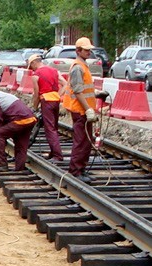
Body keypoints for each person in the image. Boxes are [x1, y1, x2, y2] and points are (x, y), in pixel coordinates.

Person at [0, 80, 37, 172]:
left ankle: (1, 165)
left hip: (19, 120)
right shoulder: (2, 95)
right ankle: (19, 169)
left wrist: (1, 135)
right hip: (30, 119)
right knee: (20, 145)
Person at [62, 37, 98, 183]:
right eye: (86, 50)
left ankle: (81, 169)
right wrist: (88, 109)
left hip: (84, 110)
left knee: (86, 141)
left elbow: (85, 89)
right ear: (78, 50)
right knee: (81, 141)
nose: (88, 52)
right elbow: (78, 91)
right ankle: (75, 170)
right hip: (80, 110)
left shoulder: (83, 66)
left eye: (89, 50)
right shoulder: (77, 67)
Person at [28, 54, 67, 161]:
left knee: (49, 129)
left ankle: (57, 156)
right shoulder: (54, 71)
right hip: (55, 101)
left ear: (33, 62)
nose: (32, 69)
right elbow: (65, 84)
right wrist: (58, 95)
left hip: (46, 101)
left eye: (31, 67)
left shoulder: (36, 75)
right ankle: (53, 152)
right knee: (54, 127)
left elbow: (36, 94)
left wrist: (34, 108)